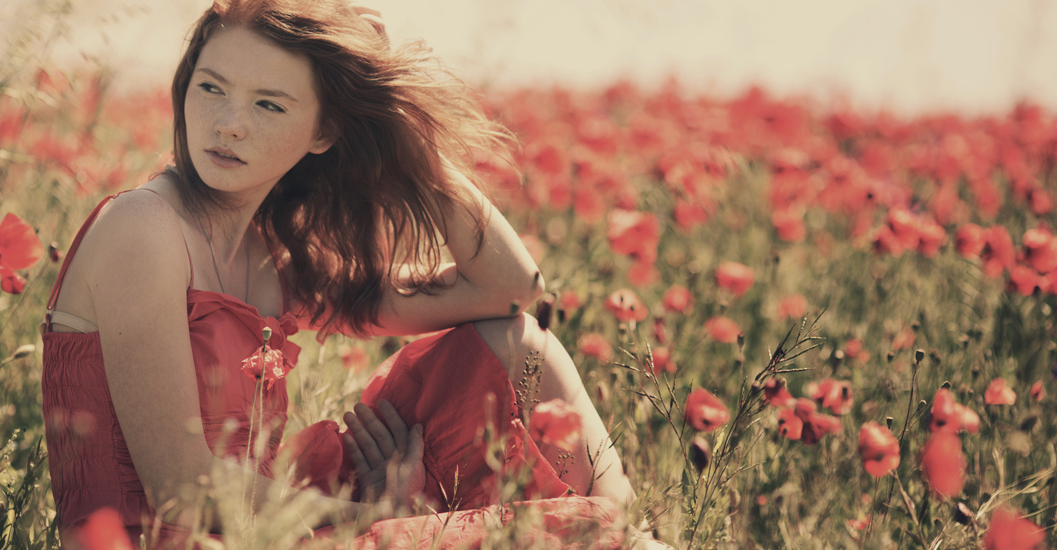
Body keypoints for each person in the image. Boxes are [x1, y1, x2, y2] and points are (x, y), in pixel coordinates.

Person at [41, 0, 658, 547]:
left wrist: (399, 128)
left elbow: (508, 291)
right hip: (178, 539)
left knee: (519, 350)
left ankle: (630, 526)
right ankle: (629, 536)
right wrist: (376, 514)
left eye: (268, 104)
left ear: (324, 131)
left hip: (268, 523)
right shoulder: (143, 226)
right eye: (211, 88)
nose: (228, 122)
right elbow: (180, 488)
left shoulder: (270, 258)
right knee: (575, 534)